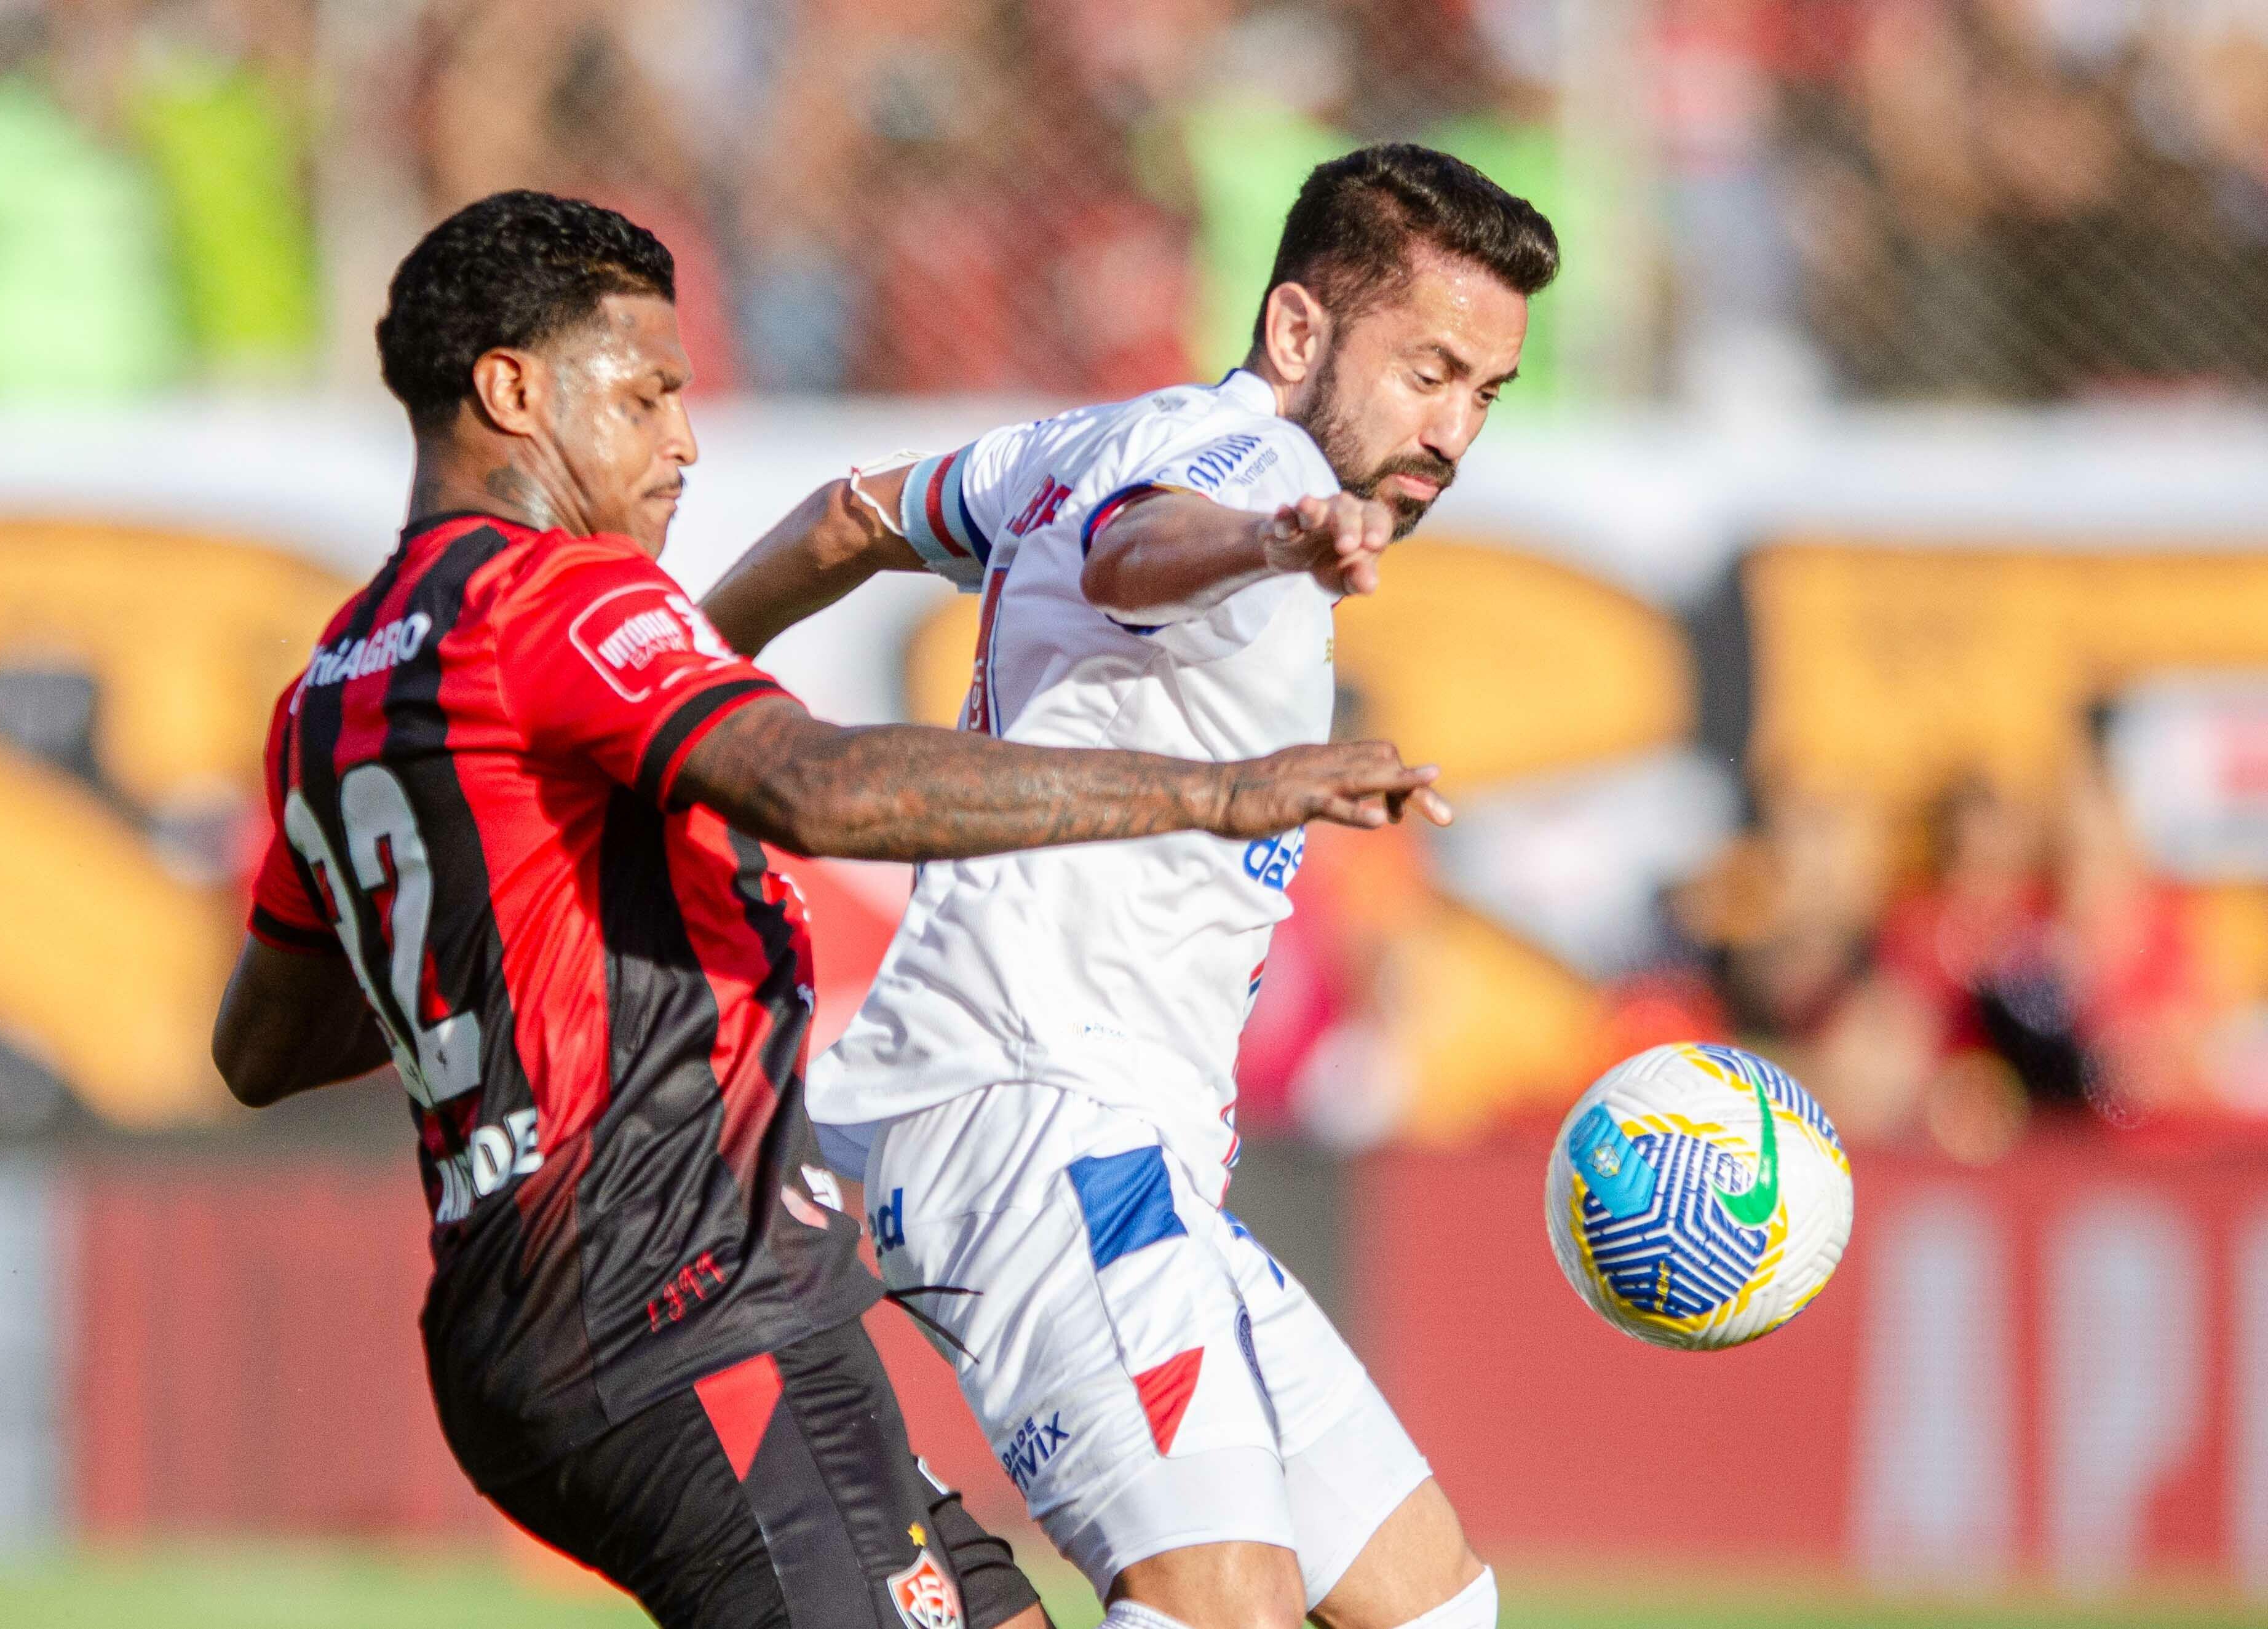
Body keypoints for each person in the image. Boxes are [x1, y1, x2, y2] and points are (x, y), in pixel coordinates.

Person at [208, 190, 1446, 1629]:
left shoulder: (332, 686)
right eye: (650, 393)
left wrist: (510, 947)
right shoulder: (558, 600)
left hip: (556, 1313)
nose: (683, 440)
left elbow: (263, 1047)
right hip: (676, 1300)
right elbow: (824, 790)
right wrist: (1222, 790)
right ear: (510, 390)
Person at [701, 145, 1548, 1629]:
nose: (1454, 431)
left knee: (1433, 1607)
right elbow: (1133, 555)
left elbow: (847, 519)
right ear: (1296, 333)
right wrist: (1268, 538)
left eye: (1485, 391)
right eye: (1428, 372)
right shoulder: (1253, 473)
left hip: (1100, 1127)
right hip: (1041, 1112)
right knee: (1214, 1606)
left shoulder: (1074, 441)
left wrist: (668, 699)